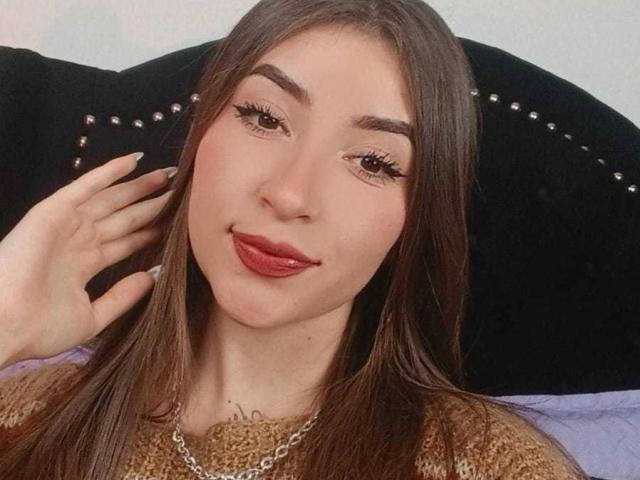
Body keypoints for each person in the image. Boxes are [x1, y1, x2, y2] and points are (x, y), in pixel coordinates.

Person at [0, 0, 591, 478]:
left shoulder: (494, 466)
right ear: (200, 135)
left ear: (416, 219)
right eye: (264, 118)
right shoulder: (25, 416)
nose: (289, 194)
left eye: (374, 162)